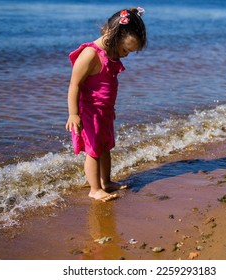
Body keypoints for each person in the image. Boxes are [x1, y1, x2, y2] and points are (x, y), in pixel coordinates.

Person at [65, 7, 147, 202]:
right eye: (125, 50)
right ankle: (95, 189)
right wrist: (73, 114)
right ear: (113, 35)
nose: (126, 55)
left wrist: (111, 108)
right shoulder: (90, 54)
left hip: (105, 112)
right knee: (93, 151)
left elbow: (106, 87)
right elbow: (74, 84)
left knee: (105, 147)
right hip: (89, 113)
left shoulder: (111, 54)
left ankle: (106, 182)